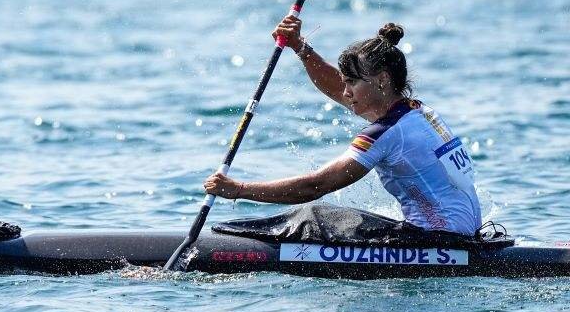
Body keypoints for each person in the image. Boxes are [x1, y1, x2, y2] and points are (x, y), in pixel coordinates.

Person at [204, 16, 482, 235]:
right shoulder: (417, 112)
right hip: (462, 234)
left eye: (352, 82)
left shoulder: (387, 133)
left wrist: (238, 189)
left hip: (438, 241)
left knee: (313, 217)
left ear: (382, 80)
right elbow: (337, 87)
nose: (345, 92)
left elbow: (315, 186)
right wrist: (300, 47)